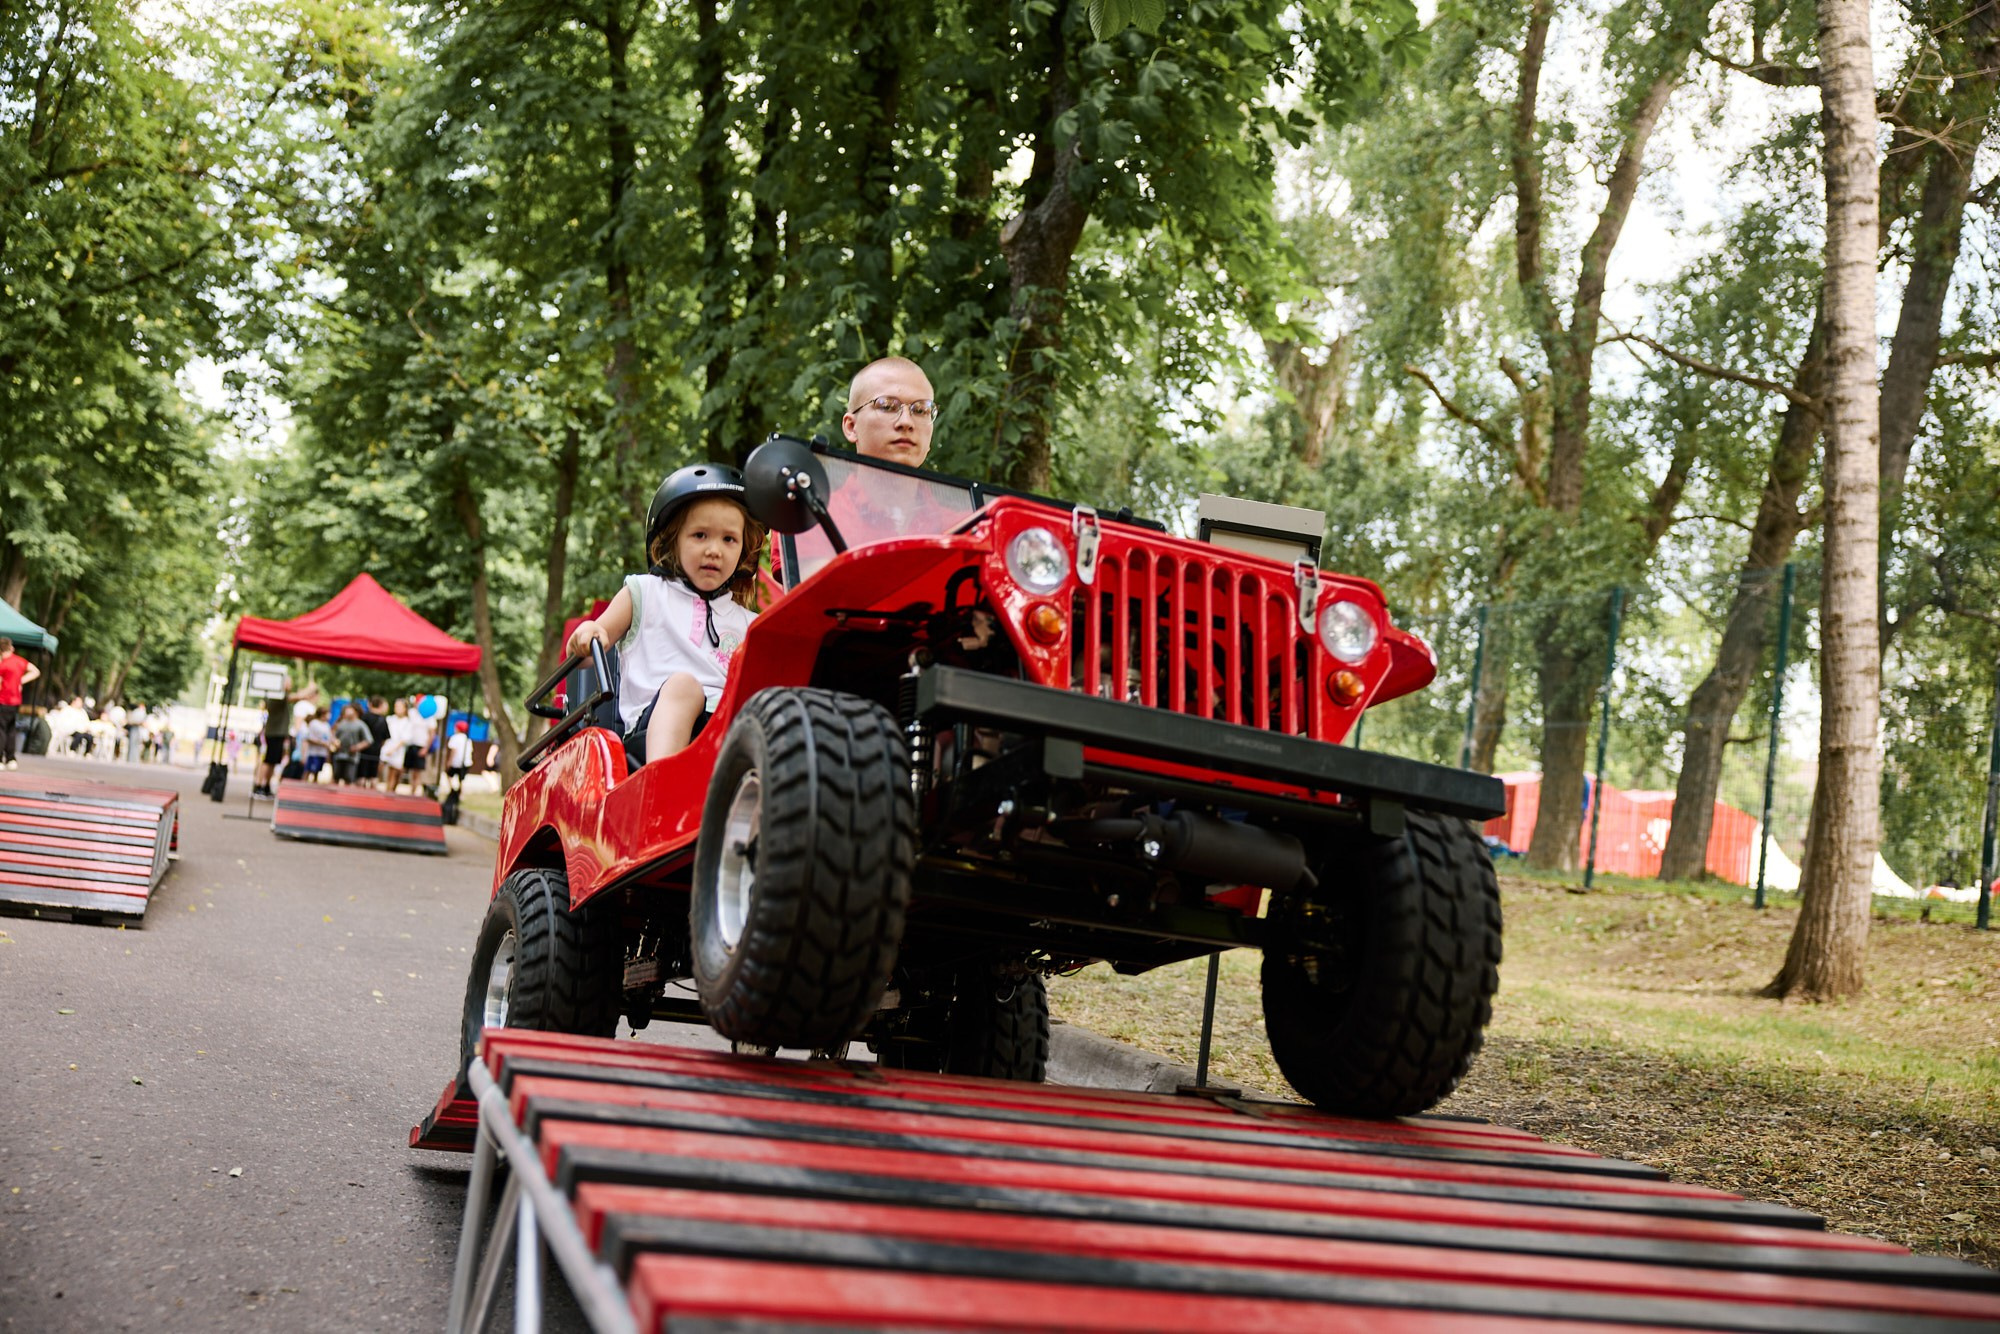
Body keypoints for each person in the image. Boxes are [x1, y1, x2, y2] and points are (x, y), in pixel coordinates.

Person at [567, 462, 765, 767]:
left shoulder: (750, 624)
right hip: (653, 732)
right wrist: (587, 634)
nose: (715, 550)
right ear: (673, 540)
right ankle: (661, 788)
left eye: (729, 539)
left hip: (729, 734)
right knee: (685, 686)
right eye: (700, 535)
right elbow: (588, 650)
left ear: (744, 550)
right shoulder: (645, 592)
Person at [841, 356, 937, 468]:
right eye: (887, 407)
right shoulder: (820, 485)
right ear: (851, 427)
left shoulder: (951, 486)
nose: (906, 422)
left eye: (920, 410)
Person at [0, 638, 40, 770]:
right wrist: (20, 681)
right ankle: (11, 758)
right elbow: (36, 671)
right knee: (11, 729)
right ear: (10, 648)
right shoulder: (19, 661)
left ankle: (0, 759)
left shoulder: (3, 665)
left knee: (1, 729)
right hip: (16, 700)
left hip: (3, 699)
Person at [332, 704, 370, 785]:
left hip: (351, 757)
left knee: (348, 779)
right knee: (335, 777)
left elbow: (368, 740)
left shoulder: (360, 724)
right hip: (339, 755)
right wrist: (335, 741)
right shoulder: (341, 723)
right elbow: (333, 735)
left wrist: (357, 747)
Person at [379, 697, 411, 793]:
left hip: (397, 750)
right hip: (387, 747)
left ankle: (390, 792)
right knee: (381, 768)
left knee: (394, 773)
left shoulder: (407, 722)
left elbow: (405, 739)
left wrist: (393, 749)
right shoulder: (390, 719)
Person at [358, 697, 390, 787]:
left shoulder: (364, 717)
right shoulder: (383, 720)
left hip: (363, 751)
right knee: (373, 777)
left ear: (371, 704)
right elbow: (385, 738)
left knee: (361, 776)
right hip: (376, 752)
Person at [303, 706, 335, 781]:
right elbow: (309, 738)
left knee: (317, 772)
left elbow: (329, 737)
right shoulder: (314, 723)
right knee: (309, 771)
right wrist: (321, 743)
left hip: (322, 753)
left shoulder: (327, 725)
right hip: (313, 753)